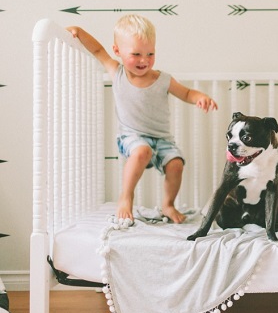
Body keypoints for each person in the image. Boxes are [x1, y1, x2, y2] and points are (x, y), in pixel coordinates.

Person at [67, 15, 218, 224]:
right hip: (131, 136)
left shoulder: (163, 79)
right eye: (136, 54)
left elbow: (185, 93)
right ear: (118, 51)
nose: (144, 60)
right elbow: (98, 50)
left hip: (162, 138)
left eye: (150, 53)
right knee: (142, 151)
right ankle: (125, 196)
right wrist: (79, 32)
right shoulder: (117, 72)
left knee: (176, 164)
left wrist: (200, 97)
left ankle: (168, 204)